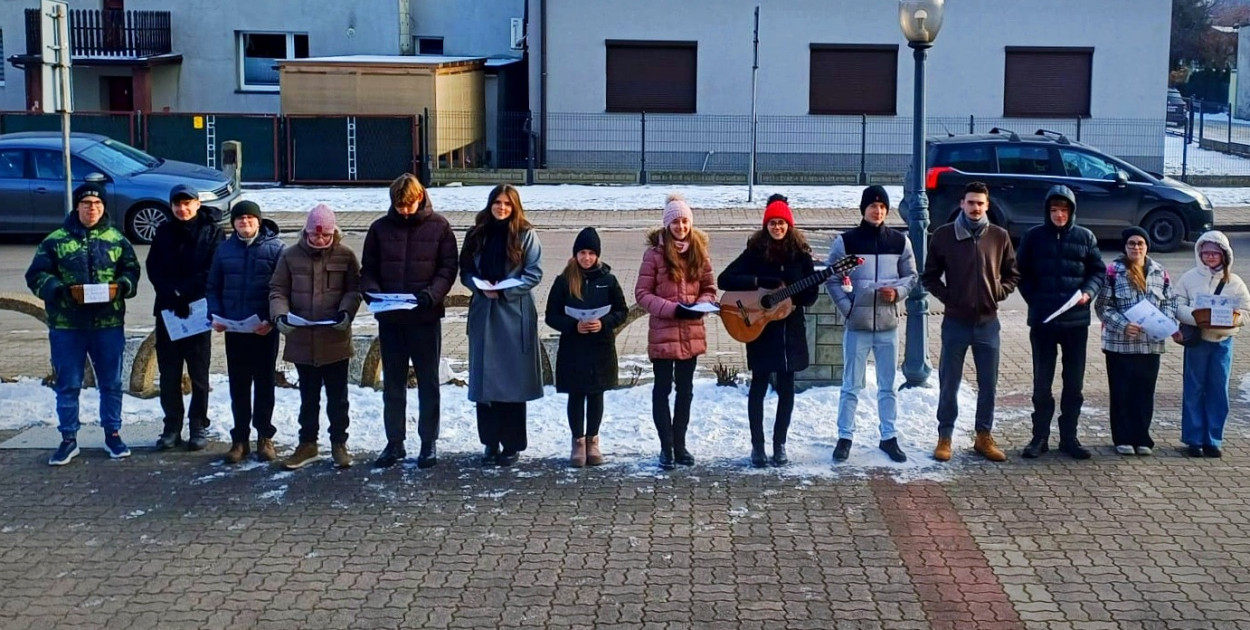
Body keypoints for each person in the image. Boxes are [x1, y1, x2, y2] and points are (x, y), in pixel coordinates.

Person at [25, 183, 141, 466]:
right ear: (77, 206)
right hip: (67, 325)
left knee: (111, 383)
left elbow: (132, 271)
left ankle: (112, 434)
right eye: (87, 203)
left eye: (97, 204)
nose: (92, 208)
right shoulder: (55, 240)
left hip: (108, 323)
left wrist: (123, 286)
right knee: (69, 384)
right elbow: (36, 275)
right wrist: (58, 289)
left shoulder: (117, 239)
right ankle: (68, 439)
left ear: (103, 208)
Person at [361, 173, 459, 469]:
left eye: (408, 205)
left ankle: (428, 443)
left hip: (425, 317)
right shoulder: (379, 229)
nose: (404, 210)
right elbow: (368, 270)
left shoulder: (440, 227)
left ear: (420, 198)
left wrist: (433, 294)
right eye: (398, 206)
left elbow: (448, 268)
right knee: (393, 383)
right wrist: (374, 294)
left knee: (428, 382)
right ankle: (395, 443)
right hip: (391, 318)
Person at [921, 181, 1020, 462]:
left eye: (980, 203)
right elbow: (929, 276)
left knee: (988, 383)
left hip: (988, 323)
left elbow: (1013, 274)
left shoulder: (999, 236)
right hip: (955, 323)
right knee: (949, 382)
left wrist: (999, 292)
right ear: (962, 204)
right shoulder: (944, 236)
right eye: (971, 202)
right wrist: (948, 297)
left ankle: (983, 436)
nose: (975, 208)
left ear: (987, 205)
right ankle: (945, 436)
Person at [718, 195, 819, 468]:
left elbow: (811, 295)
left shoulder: (801, 255)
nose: (777, 228)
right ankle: (758, 446)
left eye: (782, 223)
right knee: (759, 386)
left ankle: (780, 444)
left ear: (789, 225)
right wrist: (759, 281)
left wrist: (793, 299)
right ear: (766, 226)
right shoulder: (755, 252)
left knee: (787, 387)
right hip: (760, 329)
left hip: (790, 331)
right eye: (772, 223)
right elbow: (724, 279)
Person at [826, 186, 917, 464]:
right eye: (872, 206)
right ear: (863, 209)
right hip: (858, 326)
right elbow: (831, 279)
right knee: (851, 384)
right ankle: (845, 437)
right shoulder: (846, 242)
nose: (877, 211)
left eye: (882, 207)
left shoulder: (900, 242)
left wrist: (898, 293)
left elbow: (911, 277)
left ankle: (888, 436)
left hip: (888, 325)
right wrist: (848, 308)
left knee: (888, 386)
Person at [1015, 185, 1105, 460]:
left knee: (1073, 383)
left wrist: (1088, 292)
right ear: (1047, 211)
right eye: (1054, 210)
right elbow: (1021, 273)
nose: (1059, 215)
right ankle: (1039, 437)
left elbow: (1097, 271)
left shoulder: (1085, 237)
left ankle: (1069, 437)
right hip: (1043, 322)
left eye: (1064, 210)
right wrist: (1035, 300)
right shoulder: (1033, 237)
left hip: (1075, 323)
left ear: (1072, 212)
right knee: (1042, 383)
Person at [269, 204, 362, 470]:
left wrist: (346, 312)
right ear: (306, 233)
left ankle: (339, 443)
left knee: (338, 397)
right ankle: (307, 443)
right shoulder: (289, 257)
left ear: (334, 233)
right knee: (308, 397)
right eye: (315, 236)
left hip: (335, 339)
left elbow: (354, 290)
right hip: (303, 340)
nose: (320, 240)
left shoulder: (345, 255)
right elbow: (277, 290)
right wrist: (281, 316)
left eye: (326, 236)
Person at [459, 184, 544, 468]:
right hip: (484, 311)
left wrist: (506, 290)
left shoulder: (525, 234)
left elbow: (534, 274)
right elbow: (466, 271)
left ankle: (512, 444)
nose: (502, 208)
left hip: (513, 313)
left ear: (515, 206)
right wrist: (479, 287)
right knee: (485, 383)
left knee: (512, 382)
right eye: (497, 202)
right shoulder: (476, 234)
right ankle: (490, 442)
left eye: (507, 203)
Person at [635, 193, 718, 470]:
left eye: (685, 222)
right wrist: (672, 309)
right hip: (663, 331)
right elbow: (643, 294)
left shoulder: (699, 252)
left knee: (686, 390)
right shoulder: (654, 255)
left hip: (691, 332)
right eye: (675, 222)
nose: (680, 227)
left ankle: (680, 445)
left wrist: (701, 305)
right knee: (662, 390)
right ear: (667, 224)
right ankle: (665, 447)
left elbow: (709, 288)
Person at [206, 200, 285, 464]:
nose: (245, 223)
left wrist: (271, 320)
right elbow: (213, 287)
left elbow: (282, 289)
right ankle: (240, 438)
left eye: (251, 219)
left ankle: (265, 436)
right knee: (238, 385)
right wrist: (215, 315)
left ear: (259, 222)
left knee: (264, 384)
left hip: (264, 329)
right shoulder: (224, 250)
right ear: (234, 223)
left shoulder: (276, 249)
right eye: (240, 219)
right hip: (234, 329)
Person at [147, 184, 224, 452]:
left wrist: (185, 292)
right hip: (168, 310)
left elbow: (212, 269)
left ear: (197, 204)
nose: (183, 209)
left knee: (199, 373)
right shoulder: (163, 232)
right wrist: (171, 293)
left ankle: (198, 424)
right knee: (169, 373)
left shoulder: (212, 232)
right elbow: (153, 268)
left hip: (198, 310)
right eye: (177, 204)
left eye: (187, 203)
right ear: (171, 207)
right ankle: (172, 426)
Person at [545, 227, 629, 467]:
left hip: (600, 346)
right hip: (574, 347)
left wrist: (603, 323)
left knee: (596, 394)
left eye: (591, 253)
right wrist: (573, 325)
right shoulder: (564, 281)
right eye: (582, 252)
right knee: (576, 394)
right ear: (575, 254)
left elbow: (621, 311)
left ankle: (593, 440)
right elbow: (551, 315)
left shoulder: (608, 280)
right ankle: (578, 442)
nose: (586, 258)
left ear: (598, 255)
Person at [1095, 227, 1176, 456]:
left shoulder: (1160, 272)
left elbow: (1170, 302)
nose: (1136, 248)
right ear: (1125, 247)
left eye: (1140, 243)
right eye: (1131, 244)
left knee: (1144, 392)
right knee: (1121, 392)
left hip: (1149, 345)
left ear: (1147, 246)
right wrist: (1123, 325)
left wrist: (1164, 322)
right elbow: (1103, 306)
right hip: (1120, 345)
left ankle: (1142, 437)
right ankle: (1122, 438)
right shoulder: (1113, 271)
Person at [1174, 231, 1250, 458]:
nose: (1209, 257)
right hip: (1198, 340)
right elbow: (1177, 304)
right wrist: (1196, 316)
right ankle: (1194, 439)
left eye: (1214, 253)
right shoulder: (1189, 277)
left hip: (1222, 341)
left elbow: (1246, 310)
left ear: (1224, 255)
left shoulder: (1234, 282)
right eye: (1205, 253)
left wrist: (1235, 318)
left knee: (1218, 390)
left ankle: (1213, 439)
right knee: (1194, 389)